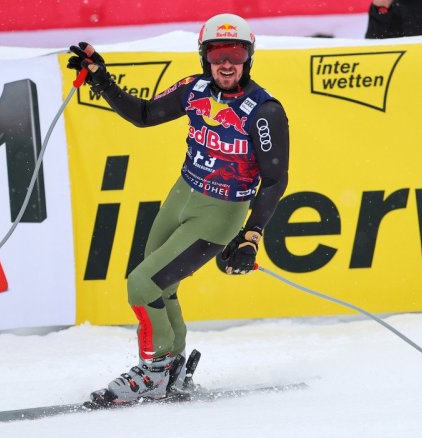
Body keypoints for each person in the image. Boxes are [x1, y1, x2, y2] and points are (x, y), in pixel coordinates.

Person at [66, 13, 289, 404]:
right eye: (217, 52)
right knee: (160, 284)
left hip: (219, 212)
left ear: (248, 56)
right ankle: (172, 365)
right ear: (205, 56)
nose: (226, 62)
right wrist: (101, 78)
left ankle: (152, 369)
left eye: (235, 52)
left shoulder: (263, 110)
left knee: (141, 284)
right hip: (182, 194)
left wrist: (252, 235)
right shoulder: (194, 88)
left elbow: (274, 180)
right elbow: (146, 115)